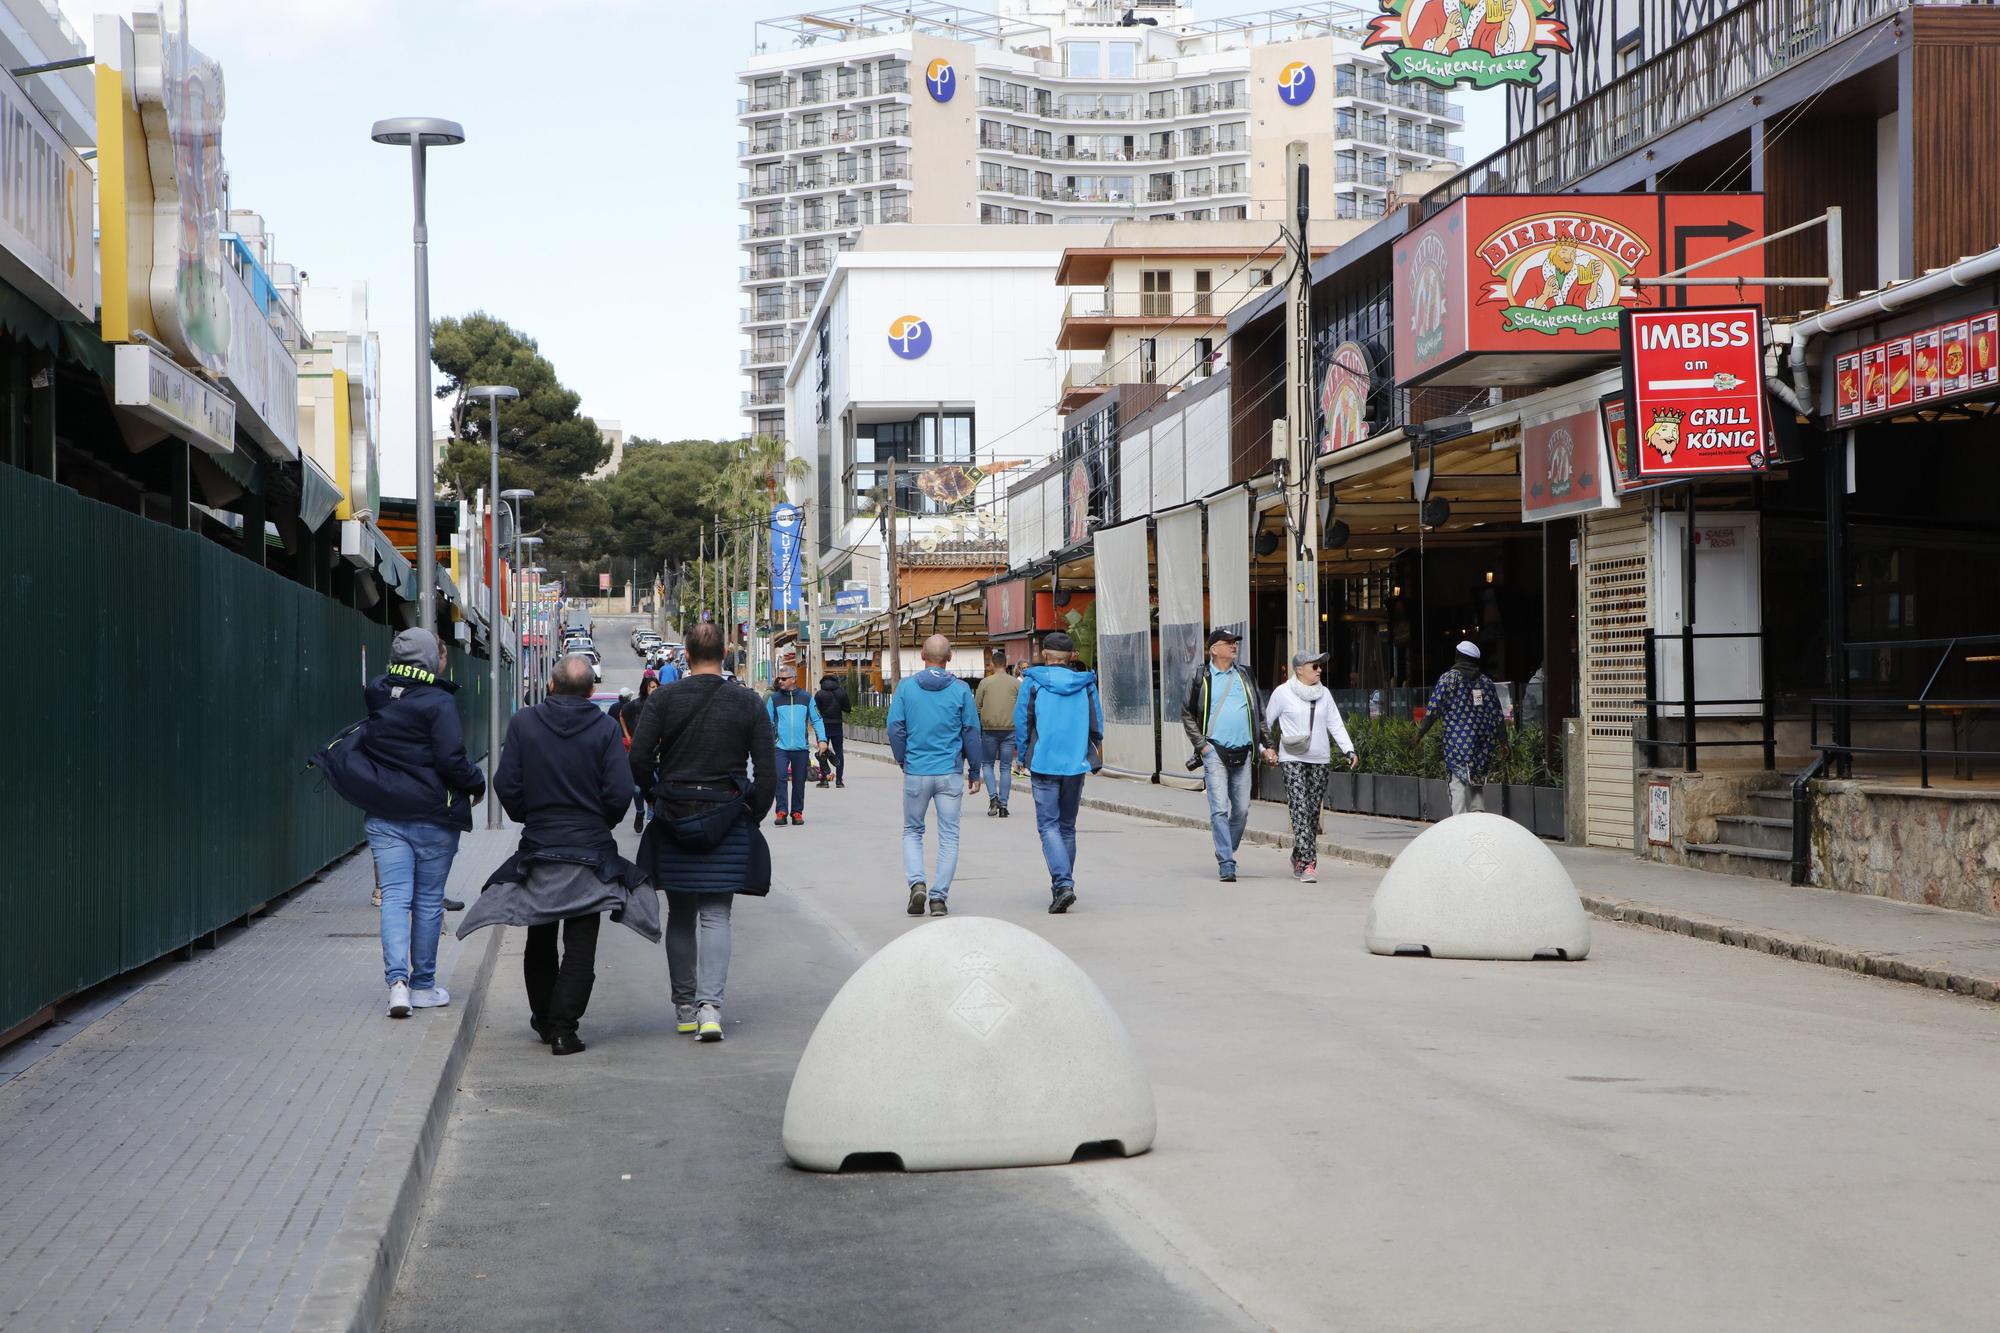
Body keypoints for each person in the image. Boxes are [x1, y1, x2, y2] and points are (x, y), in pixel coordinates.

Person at [458, 654, 655, 1056]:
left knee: (540, 933)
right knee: (582, 944)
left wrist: (531, 817)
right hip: (591, 853)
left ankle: (546, 1020)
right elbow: (620, 791)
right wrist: (599, 823)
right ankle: (564, 1029)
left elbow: (506, 783)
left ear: (550, 685)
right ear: (589, 692)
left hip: (540, 849)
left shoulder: (524, 724)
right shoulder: (603, 729)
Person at [312, 628, 485, 1018]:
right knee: (426, 902)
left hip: (385, 814)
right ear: (428, 660)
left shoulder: (377, 692)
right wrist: (477, 783)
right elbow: (451, 760)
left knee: (394, 898)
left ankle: (397, 986)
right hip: (432, 818)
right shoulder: (438, 702)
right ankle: (423, 985)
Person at [629, 622, 775, 1043]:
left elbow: (638, 757)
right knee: (716, 914)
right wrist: (751, 814)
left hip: (674, 816)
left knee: (681, 912)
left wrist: (655, 796)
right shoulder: (748, 702)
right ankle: (711, 1008)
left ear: (686, 657)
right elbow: (766, 772)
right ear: (725, 654)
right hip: (725, 817)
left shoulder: (665, 699)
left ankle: (684, 1008)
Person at [888, 635, 983, 916]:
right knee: (949, 836)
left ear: (921, 655)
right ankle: (938, 897)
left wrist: (903, 758)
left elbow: (895, 728)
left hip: (917, 771)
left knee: (912, 831)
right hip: (950, 774)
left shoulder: (906, 688)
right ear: (950, 657)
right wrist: (975, 770)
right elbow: (971, 732)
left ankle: (917, 882)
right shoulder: (962, 689)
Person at [1014, 631, 1102, 915]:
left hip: (1043, 762)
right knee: (1067, 826)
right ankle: (1063, 886)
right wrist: (1090, 750)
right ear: (1070, 657)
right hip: (1075, 764)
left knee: (1048, 826)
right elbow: (1096, 724)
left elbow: (1022, 721)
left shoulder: (1033, 682)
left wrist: (1023, 754)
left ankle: (1063, 884)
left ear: (1044, 655)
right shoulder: (1086, 683)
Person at [1260, 651, 1358, 883]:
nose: (1319, 670)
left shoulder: (1324, 694)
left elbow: (1335, 723)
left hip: (1320, 759)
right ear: (1299, 669)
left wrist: (1349, 749)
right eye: (1314, 666)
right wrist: (1267, 750)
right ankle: (1308, 864)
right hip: (1291, 758)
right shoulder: (1282, 693)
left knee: (1312, 814)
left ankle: (1297, 855)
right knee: (1299, 809)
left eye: (1320, 666)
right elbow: (1264, 724)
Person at [1182, 627, 1262, 883]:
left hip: (1244, 750)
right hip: (1214, 750)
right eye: (1228, 643)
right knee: (1219, 809)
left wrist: (1266, 744)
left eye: (1235, 642)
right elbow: (1187, 714)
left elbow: (1258, 711)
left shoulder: (1245, 675)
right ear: (1213, 649)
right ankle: (1226, 861)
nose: (1234, 646)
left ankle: (1226, 847)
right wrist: (1203, 746)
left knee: (1241, 810)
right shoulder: (1201, 677)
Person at [1415, 640, 1504, 814]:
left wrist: (1420, 733)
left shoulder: (1448, 679)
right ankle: (1478, 816)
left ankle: (1460, 823)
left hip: (1457, 743)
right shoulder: (1486, 682)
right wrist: (1504, 741)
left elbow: (1433, 709)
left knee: (1457, 783)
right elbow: (1497, 714)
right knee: (1477, 784)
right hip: (1481, 744)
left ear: (1458, 656)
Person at [765, 665, 827, 826]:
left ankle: (797, 812)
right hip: (780, 748)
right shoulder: (774, 699)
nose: (780, 681)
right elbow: (766, 722)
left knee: (799, 781)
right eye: (779, 678)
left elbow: (817, 719)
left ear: (793, 679)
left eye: (784, 678)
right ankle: (781, 811)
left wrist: (822, 740)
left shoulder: (807, 698)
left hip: (800, 749)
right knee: (780, 779)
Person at [974, 653, 1021, 817]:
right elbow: (1022, 707)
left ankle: (993, 797)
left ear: (993, 665)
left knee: (987, 764)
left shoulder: (985, 683)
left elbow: (977, 706)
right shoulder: (1016, 683)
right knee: (1006, 767)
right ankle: (1003, 805)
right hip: (1010, 730)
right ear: (1006, 664)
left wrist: (984, 719)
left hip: (989, 730)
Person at [627, 676, 660, 832]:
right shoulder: (636, 705)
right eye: (651, 687)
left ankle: (650, 819)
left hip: (658, 754)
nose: (654, 689)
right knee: (637, 789)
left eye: (656, 686)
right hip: (641, 753)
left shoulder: (662, 704)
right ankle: (640, 811)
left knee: (655, 787)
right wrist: (628, 737)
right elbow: (621, 714)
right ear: (645, 689)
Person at [813, 671, 851, 788]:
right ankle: (839, 780)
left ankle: (824, 780)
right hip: (837, 726)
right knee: (839, 752)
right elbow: (848, 709)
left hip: (823, 727)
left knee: (822, 752)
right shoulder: (842, 693)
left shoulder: (819, 694)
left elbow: (815, 712)